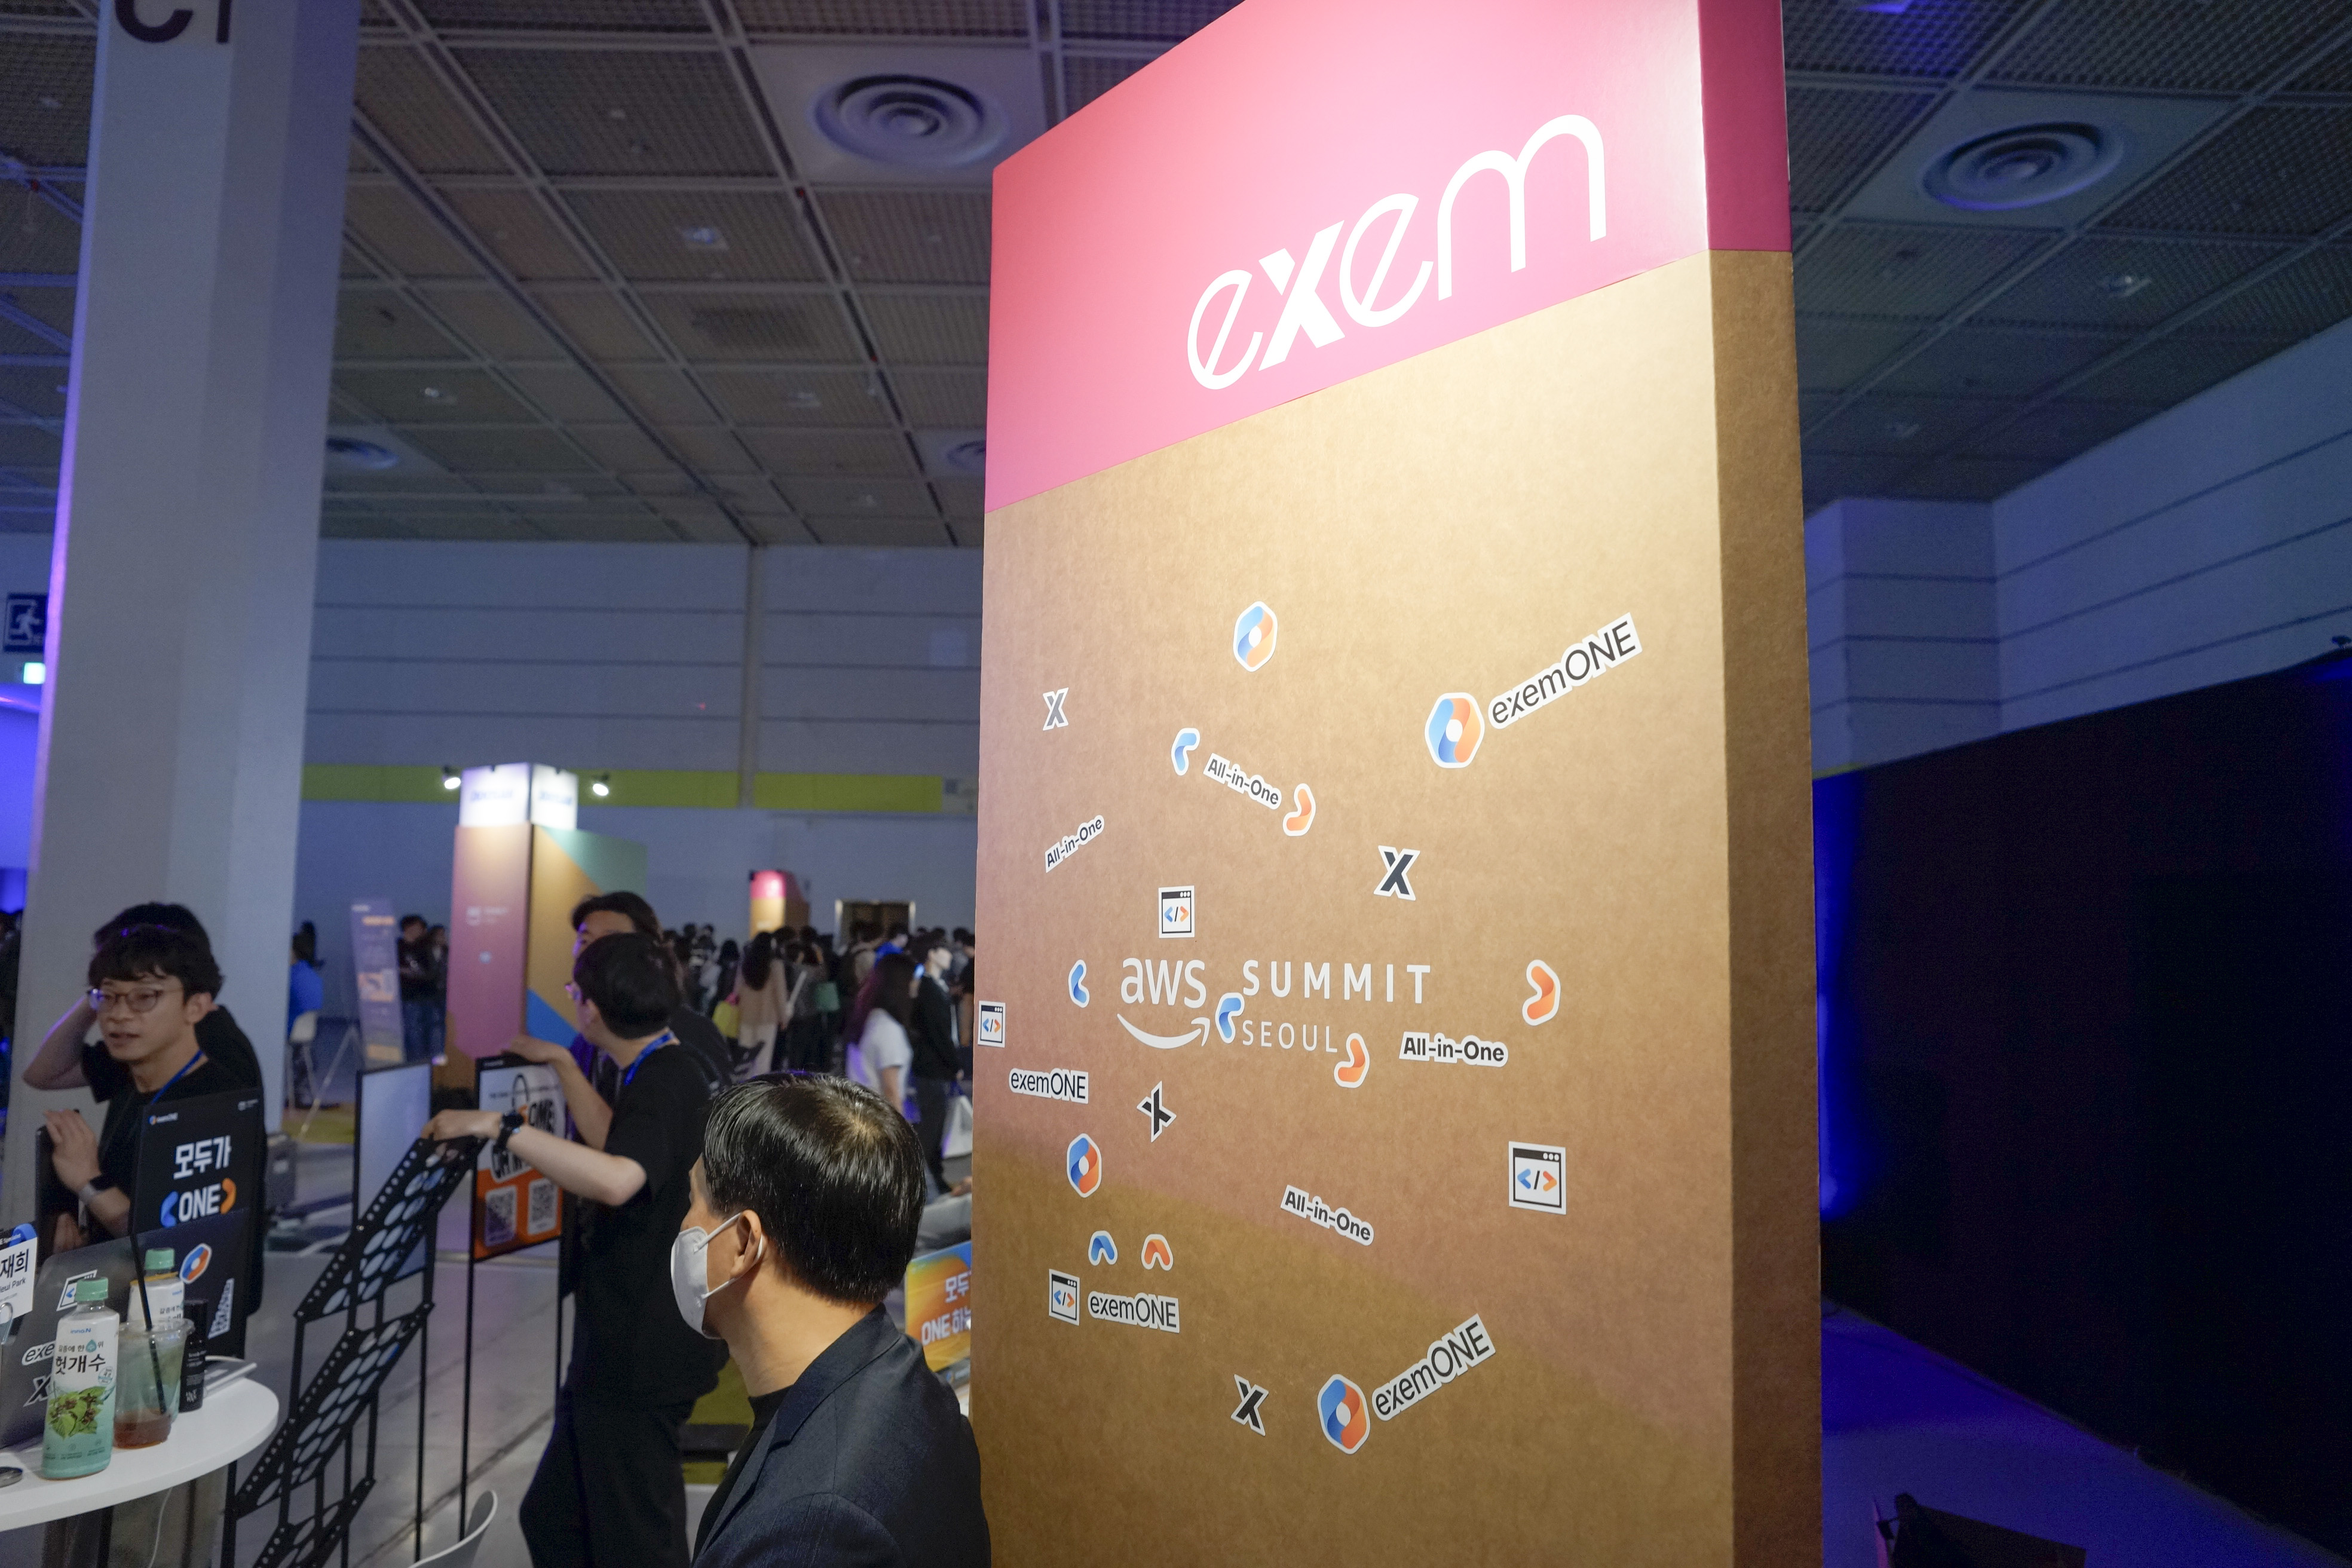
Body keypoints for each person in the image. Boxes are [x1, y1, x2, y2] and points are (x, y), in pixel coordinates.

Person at [426, 933, 723, 1568]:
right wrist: (564, 1065)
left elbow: (618, 1177)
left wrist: (499, 1126)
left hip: (640, 1348)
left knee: (634, 1537)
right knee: (556, 1518)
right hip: (627, 1339)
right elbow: (619, 1140)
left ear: (592, 1006)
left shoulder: (666, 1079)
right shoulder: (666, 1065)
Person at [679, 1076, 988, 1566]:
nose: (683, 1227)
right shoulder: (904, 1375)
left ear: (743, 1242)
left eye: (693, 1201)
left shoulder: (812, 1531)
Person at [27, 923, 260, 1246]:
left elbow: (173, 1245)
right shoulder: (131, 1071)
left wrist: (88, 1181)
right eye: (108, 998)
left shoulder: (218, 1105)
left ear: (195, 1007)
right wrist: (87, 1246)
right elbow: (39, 1074)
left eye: (145, 997)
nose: (119, 1014)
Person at [907, 934, 963, 1194]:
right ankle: (927, 1180)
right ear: (931, 954)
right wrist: (955, 1064)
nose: (950, 955)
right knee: (932, 1124)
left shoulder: (934, 985)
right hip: (933, 1067)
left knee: (935, 1123)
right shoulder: (928, 988)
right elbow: (938, 1033)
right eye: (944, 950)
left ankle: (932, 1175)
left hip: (935, 1066)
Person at [852, 953, 915, 1119]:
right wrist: (899, 1130)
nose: (917, 984)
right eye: (913, 978)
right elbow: (891, 1091)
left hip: (863, 1113)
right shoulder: (888, 1029)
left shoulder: (870, 1018)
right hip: (879, 1119)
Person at [734, 932, 788, 1078]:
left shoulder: (745, 963)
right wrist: (783, 1018)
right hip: (767, 1018)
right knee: (763, 1060)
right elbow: (780, 995)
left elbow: (736, 991)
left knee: (746, 1059)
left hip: (745, 1016)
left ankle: (745, 1086)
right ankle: (760, 1088)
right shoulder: (776, 965)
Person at [397, 914, 436, 1062]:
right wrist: (402, 971)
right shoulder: (397, 947)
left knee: (428, 1031)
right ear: (409, 927)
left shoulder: (425, 947)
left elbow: (431, 972)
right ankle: (414, 1062)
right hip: (409, 996)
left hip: (428, 995)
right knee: (412, 1030)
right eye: (419, 927)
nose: (422, 930)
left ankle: (425, 1061)